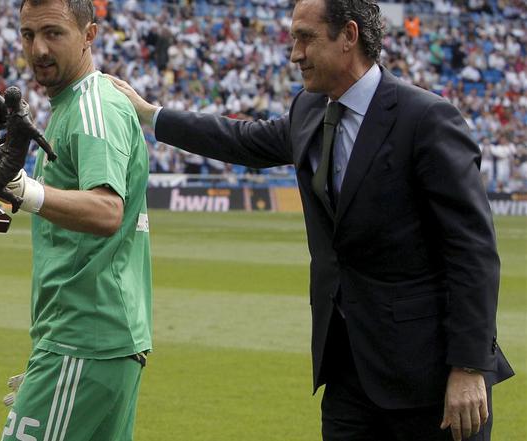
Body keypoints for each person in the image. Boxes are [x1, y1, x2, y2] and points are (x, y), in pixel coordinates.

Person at [107, 0, 513, 440]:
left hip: (429, 377)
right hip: (346, 371)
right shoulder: (309, 109)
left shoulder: (426, 119)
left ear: (349, 36)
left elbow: (472, 252)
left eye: (306, 38)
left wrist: (469, 366)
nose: (294, 54)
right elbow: (243, 140)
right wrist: (152, 114)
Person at [0, 1, 152, 440]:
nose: (38, 48)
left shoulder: (93, 107)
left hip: (84, 338)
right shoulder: (71, 105)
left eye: (53, 33)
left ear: (89, 35)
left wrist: (23, 189)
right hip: (90, 343)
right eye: (28, 35)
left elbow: (108, 210)